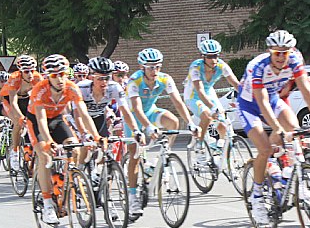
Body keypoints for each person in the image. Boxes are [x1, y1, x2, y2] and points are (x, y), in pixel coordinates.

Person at [237, 29, 310, 225]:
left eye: (286, 52)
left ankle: (287, 171)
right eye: (277, 53)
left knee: (293, 128)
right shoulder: (257, 66)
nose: (282, 57)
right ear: (269, 52)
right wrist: (276, 127)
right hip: (250, 104)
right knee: (264, 149)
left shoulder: (294, 61)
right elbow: (262, 102)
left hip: (273, 99)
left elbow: (307, 90)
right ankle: (256, 196)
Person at [27, 54, 102, 225]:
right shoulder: (39, 90)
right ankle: (47, 204)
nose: (60, 79)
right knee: (45, 156)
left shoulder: (71, 87)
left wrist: (96, 136)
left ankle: (66, 186)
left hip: (58, 119)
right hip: (37, 121)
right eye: (55, 75)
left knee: (75, 149)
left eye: (63, 74)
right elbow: (40, 120)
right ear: (47, 77)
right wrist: (49, 142)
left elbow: (83, 113)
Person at [125, 47, 199, 218]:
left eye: (157, 66)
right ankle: (132, 195)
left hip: (150, 110)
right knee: (135, 155)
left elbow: (178, 102)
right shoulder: (134, 81)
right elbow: (135, 108)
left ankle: (163, 156)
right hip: (133, 117)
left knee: (173, 121)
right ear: (142, 67)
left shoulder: (165, 78)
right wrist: (148, 127)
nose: (155, 71)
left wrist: (190, 123)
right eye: (151, 67)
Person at [76, 56, 143, 165]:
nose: (104, 82)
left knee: (105, 149)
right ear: (91, 78)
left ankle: (104, 175)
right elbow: (81, 115)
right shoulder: (81, 88)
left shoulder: (114, 87)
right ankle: (79, 174)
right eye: (99, 78)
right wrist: (87, 134)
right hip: (81, 118)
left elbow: (125, 112)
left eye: (107, 78)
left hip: (98, 116)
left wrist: (135, 131)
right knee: (86, 145)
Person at [183, 39, 239, 149]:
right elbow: (199, 90)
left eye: (215, 56)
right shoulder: (196, 67)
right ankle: (199, 143)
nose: (213, 59)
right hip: (193, 95)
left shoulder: (222, 66)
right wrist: (212, 107)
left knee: (222, 122)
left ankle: (220, 147)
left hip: (208, 92)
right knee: (207, 116)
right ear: (203, 57)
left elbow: (236, 83)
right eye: (209, 57)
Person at [0, 55, 44, 170]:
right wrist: (20, 117)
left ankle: (29, 151)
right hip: (9, 100)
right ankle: (14, 151)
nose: (30, 74)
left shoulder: (37, 78)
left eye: (32, 71)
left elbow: (41, 98)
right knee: (18, 123)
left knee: (34, 122)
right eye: (26, 71)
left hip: (25, 98)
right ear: (21, 71)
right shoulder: (15, 78)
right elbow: (13, 103)